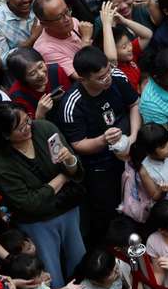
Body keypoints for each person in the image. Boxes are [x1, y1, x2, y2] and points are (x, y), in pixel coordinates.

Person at [0, 103, 86, 289]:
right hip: (38, 223)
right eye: (20, 128)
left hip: (68, 209)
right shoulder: (1, 163)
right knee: (51, 276)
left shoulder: (45, 129)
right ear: (5, 134)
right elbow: (29, 203)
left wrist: (69, 161)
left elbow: (76, 171)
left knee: (80, 262)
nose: (27, 128)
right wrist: (62, 177)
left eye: (27, 121)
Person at [58, 46, 140, 245]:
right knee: (109, 211)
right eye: (101, 78)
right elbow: (77, 144)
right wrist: (103, 140)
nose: (108, 79)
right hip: (100, 165)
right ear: (83, 78)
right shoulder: (72, 104)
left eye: (108, 72)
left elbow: (134, 105)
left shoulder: (117, 76)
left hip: (130, 151)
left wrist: (134, 137)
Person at [32, 0, 94, 79]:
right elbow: (82, 76)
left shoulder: (74, 23)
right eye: (59, 17)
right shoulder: (45, 49)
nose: (68, 19)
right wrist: (86, 40)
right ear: (44, 24)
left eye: (67, 11)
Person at [98, 2, 153, 91]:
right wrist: (106, 24)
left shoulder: (129, 55)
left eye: (129, 43)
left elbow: (148, 35)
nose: (129, 48)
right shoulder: (113, 69)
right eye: (124, 47)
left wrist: (124, 21)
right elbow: (111, 58)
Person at [6, 48, 72, 120]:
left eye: (40, 66)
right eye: (32, 73)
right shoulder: (17, 95)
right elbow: (29, 127)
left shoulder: (56, 71)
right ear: (22, 79)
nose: (41, 74)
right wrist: (40, 114)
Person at [6, 253, 84, 289]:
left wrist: (66, 288)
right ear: (28, 280)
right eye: (40, 274)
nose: (44, 274)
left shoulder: (36, 284)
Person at [135, 122, 168, 201]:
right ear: (149, 152)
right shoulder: (144, 171)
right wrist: (161, 191)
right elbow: (155, 197)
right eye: (163, 146)